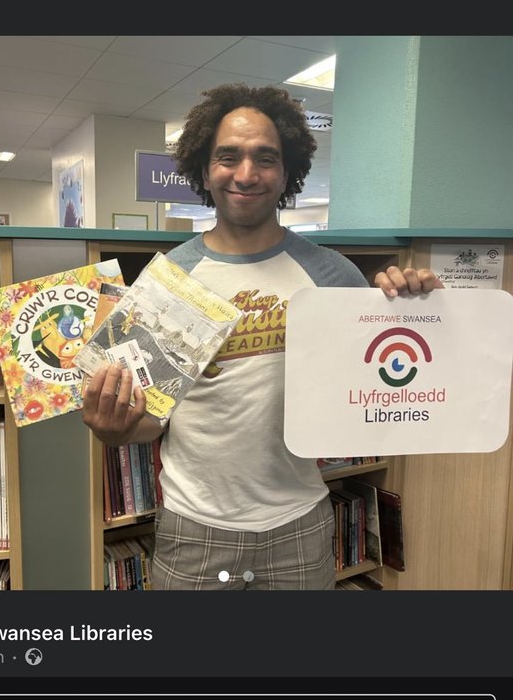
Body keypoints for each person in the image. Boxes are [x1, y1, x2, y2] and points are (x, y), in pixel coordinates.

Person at [82, 84, 443, 590]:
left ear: (287, 170)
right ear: (204, 170)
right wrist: (114, 428)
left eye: (265, 158)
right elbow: (149, 422)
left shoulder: (332, 274)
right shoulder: (168, 281)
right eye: (228, 157)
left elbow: (372, 398)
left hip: (299, 524)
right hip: (193, 530)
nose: (246, 174)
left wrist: (416, 310)